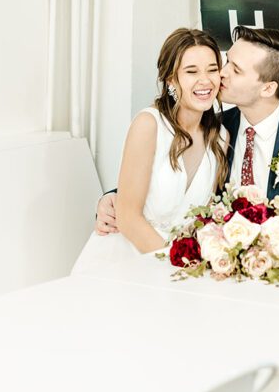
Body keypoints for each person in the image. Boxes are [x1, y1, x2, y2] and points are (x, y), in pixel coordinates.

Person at [95, 25, 279, 249]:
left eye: (235, 70)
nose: (221, 74)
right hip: (193, 268)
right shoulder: (218, 128)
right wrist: (112, 197)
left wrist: (270, 256)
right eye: (225, 62)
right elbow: (161, 182)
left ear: (268, 88)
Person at [71, 27, 229, 274]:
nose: (205, 80)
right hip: (127, 260)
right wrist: (176, 265)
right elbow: (128, 217)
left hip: (180, 267)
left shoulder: (219, 137)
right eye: (191, 71)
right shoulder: (149, 125)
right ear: (171, 80)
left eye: (212, 69)